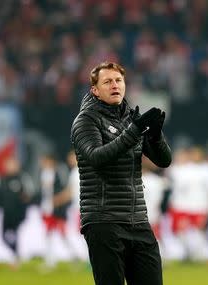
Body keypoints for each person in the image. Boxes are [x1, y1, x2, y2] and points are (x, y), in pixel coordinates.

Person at [71, 61, 172, 285]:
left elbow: (164, 161)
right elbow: (97, 157)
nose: (114, 85)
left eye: (118, 80)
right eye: (107, 81)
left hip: (138, 219)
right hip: (103, 221)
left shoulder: (130, 119)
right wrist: (134, 132)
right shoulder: (85, 120)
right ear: (95, 90)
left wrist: (155, 136)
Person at [0, 157, 34, 269]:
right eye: (8, 165)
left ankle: (16, 259)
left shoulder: (22, 177)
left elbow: (30, 193)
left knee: (16, 235)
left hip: (18, 213)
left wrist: (23, 201)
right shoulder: (3, 179)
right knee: (3, 235)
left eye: (12, 165)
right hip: (6, 213)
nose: (9, 167)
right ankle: (15, 254)